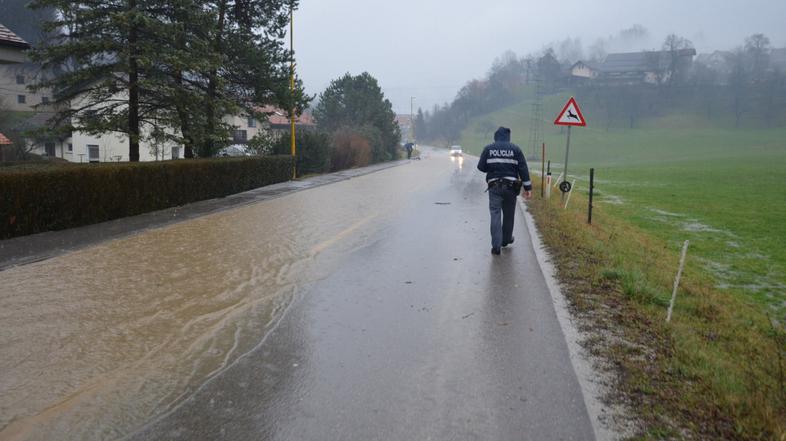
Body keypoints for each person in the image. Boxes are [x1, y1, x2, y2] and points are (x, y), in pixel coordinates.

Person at [476, 127, 532, 255]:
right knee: (508, 215)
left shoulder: (488, 148)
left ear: (496, 137)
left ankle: (496, 245)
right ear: (508, 137)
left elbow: (481, 167)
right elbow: (523, 169)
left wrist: (492, 168)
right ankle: (506, 240)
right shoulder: (516, 149)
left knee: (495, 214)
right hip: (511, 187)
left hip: (494, 187)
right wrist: (528, 188)